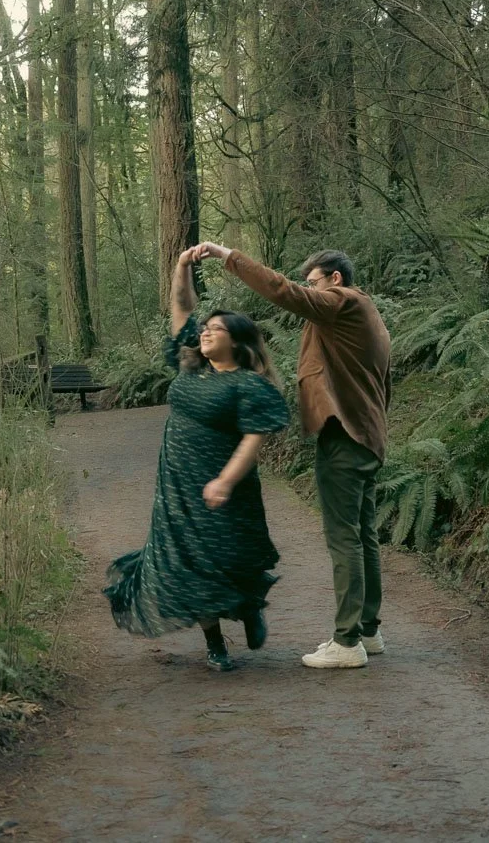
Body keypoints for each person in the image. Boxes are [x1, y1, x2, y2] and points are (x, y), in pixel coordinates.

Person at [194, 243, 391, 670]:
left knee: (345, 540)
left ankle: (347, 641)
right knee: (363, 536)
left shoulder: (342, 302)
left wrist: (226, 255)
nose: (309, 289)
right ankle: (368, 631)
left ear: (335, 280)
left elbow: (285, 293)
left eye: (314, 281)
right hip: (367, 435)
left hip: (347, 435)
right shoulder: (370, 317)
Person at [104, 246, 290, 671]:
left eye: (216, 329)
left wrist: (225, 481)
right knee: (188, 561)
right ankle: (214, 644)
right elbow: (183, 307)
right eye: (205, 328)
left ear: (238, 342)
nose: (205, 333)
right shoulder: (191, 364)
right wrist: (181, 267)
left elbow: (252, 441)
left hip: (226, 484)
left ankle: (247, 609)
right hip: (177, 486)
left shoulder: (249, 385)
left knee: (230, 555)